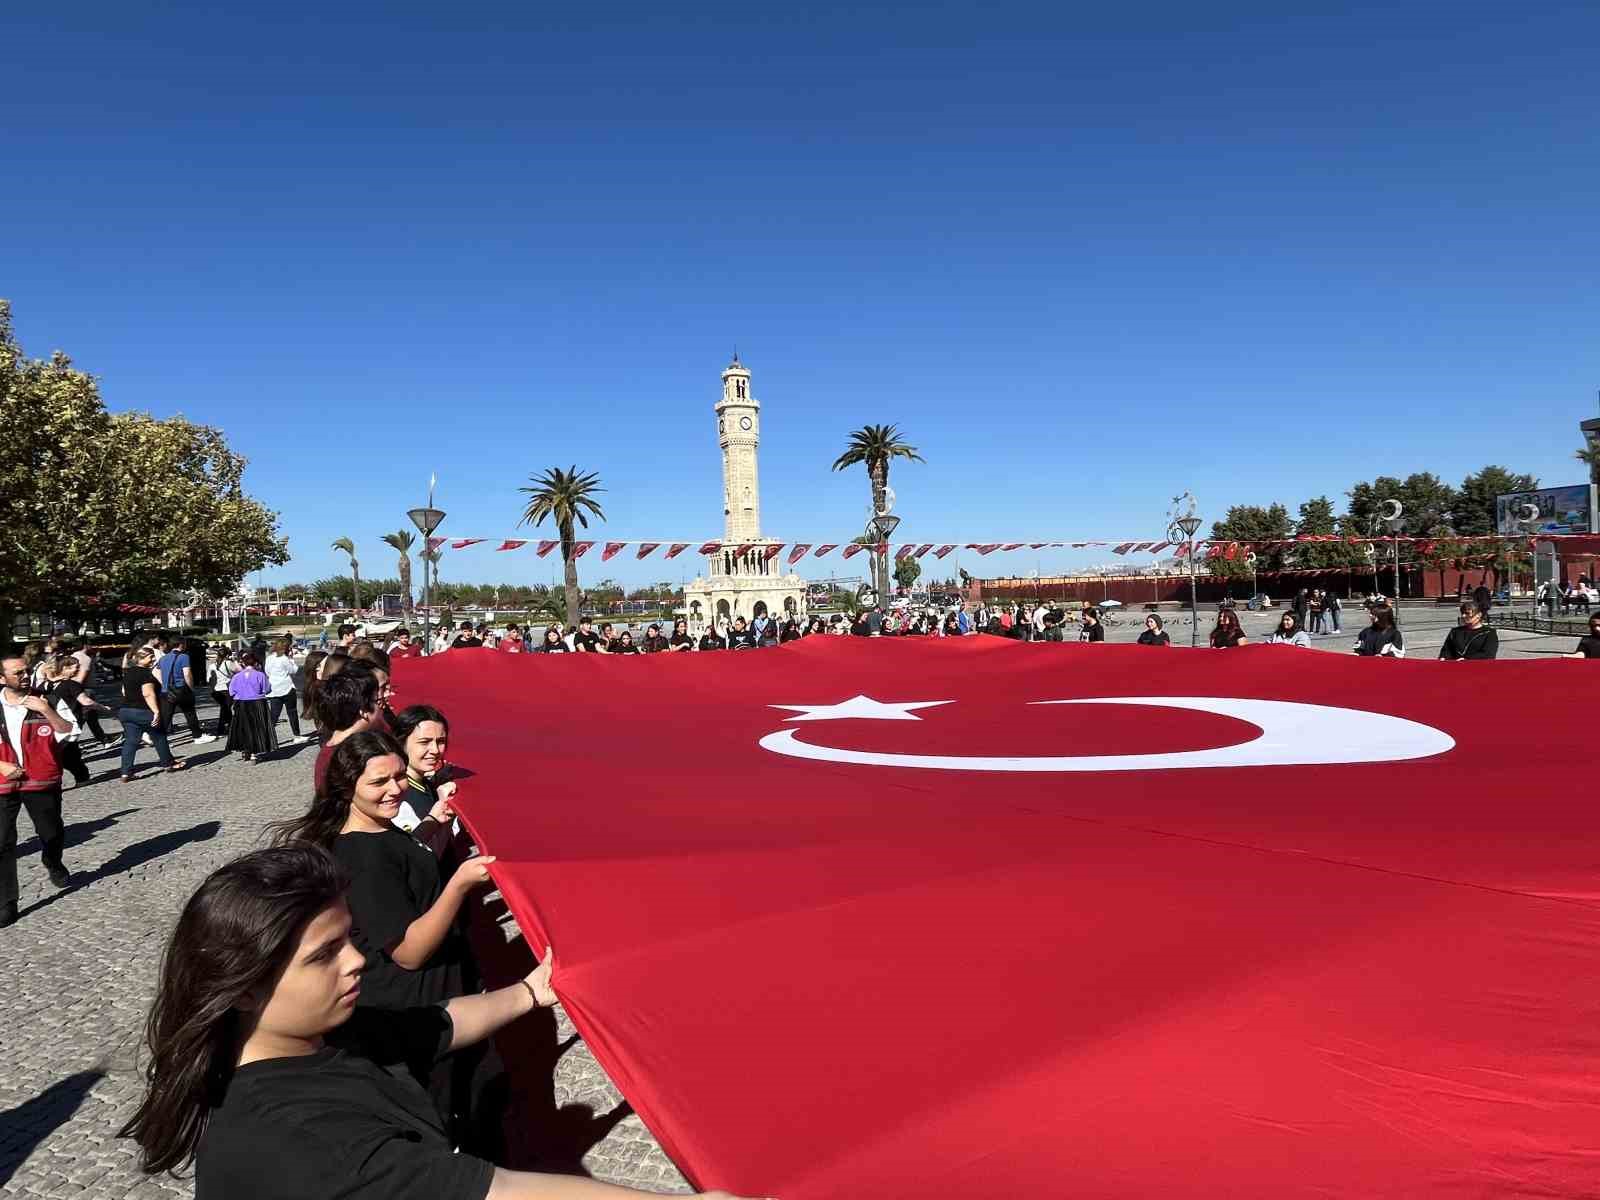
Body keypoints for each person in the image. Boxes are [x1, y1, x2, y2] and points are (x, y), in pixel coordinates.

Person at [120, 845, 765, 1200]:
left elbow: (436, 1024)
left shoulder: (320, 1037)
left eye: (348, 939)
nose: (355, 963)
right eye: (324, 955)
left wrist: (531, 994)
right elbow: (498, 1193)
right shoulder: (304, 1140)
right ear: (242, 985)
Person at [1, 653, 75, 926]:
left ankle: (53, 860)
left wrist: (45, 710)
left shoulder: (48, 697)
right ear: (1, 678)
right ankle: (6, 901)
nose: (24, 675)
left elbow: (69, 731)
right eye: (17, 672)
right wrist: (2, 766)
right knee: (2, 842)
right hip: (3, 782)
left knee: (51, 831)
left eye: (26, 671)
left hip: (41, 779)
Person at [118, 646, 187, 781]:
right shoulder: (145, 674)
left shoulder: (128, 672)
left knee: (130, 742)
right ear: (141, 658)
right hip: (143, 711)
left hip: (126, 711)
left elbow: (123, 692)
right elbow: (148, 693)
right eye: (150, 657)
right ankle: (168, 764)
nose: (153, 659)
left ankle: (126, 772)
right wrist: (156, 711)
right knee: (159, 737)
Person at [311, 668, 381, 794]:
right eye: (376, 701)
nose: (380, 707)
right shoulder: (351, 755)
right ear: (363, 711)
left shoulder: (332, 748)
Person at [390, 705, 457, 833]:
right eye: (424, 742)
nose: (435, 750)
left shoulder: (424, 784)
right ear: (401, 742)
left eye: (441, 741)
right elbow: (418, 850)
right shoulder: (399, 798)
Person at [43, 655, 95, 785]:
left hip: (54, 721)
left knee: (65, 750)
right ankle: (81, 777)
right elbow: (85, 701)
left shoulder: (50, 685)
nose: (78, 670)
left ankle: (79, 776)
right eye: (75, 667)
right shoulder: (71, 684)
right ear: (64, 668)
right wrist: (104, 708)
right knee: (70, 751)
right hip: (69, 721)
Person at [157, 637, 217, 745]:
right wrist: (191, 688)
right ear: (180, 644)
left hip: (166, 691)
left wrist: (163, 683)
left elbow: (156, 672)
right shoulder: (184, 657)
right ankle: (197, 736)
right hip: (181, 689)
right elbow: (187, 674)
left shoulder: (163, 659)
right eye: (184, 643)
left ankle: (160, 739)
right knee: (190, 713)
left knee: (166, 717)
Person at [227, 651, 277, 764]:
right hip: (257, 703)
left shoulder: (236, 676)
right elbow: (267, 689)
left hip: (241, 703)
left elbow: (231, 691)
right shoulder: (260, 675)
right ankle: (254, 754)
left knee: (243, 728)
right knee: (257, 728)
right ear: (255, 663)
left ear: (243, 663)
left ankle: (246, 751)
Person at [265, 637, 307, 745]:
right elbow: (294, 670)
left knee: (274, 715)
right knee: (292, 712)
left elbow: (267, 672)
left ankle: (267, 736)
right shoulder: (285, 658)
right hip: (287, 687)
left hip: (274, 688)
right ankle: (296, 735)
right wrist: (292, 659)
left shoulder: (269, 658)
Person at [210, 645, 239, 738]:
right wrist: (234, 660)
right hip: (227, 690)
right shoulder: (228, 663)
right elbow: (239, 671)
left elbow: (209, 679)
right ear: (227, 655)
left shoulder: (212, 666)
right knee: (225, 709)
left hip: (216, 691)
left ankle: (229, 726)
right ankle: (223, 728)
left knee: (225, 708)